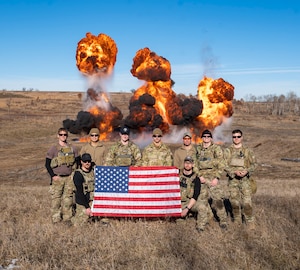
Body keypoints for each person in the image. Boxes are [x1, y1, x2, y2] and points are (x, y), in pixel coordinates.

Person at [224, 129, 257, 229]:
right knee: (234, 203)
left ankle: (250, 223)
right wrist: (234, 172)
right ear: (232, 138)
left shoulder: (247, 151)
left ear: (241, 138)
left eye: (238, 136)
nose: (236, 139)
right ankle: (237, 222)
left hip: (245, 181)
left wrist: (247, 171)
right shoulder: (227, 151)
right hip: (233, 181)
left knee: (247, 203)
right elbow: (224, 165)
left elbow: (254, 164)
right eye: (234, 137)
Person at [45, 127, 80, 224]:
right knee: (56, 200)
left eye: (65, 135)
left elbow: (77, 161)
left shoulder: (73, 148)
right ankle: (56, 219)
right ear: (58, 136)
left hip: (69, 178)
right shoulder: (54, 148)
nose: (63, 136)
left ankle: (67, 219)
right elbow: (47, 164)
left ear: (67, 136)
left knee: (68, 200)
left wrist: (73, 174)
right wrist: (53, 176)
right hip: (57, 178)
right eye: (61, 135)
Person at [196, 129, 228, 231]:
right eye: (204, 137)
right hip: (202, 178)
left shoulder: (216, 149)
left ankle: (223, 221)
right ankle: (202, 224)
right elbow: (195, 165)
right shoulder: (198, 149)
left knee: (218, 200)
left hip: (213, 177)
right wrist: (199, 176)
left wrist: (217, 177)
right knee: (202, 202)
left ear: (211, 138)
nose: (206, 138)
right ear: (202, 138)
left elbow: (221, 164)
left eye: (208, 137)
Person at [178, 156, 202, 232]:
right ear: (184, 164)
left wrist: (187, 209)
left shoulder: (196, 178)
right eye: (186, 163)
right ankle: (188, 215)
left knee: (202, 207)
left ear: (193, 165)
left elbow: (195, 195)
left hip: (189, 202)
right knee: (180, 225)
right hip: (179, 203)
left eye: (190, 163)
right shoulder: (177, 174)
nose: (187, 165)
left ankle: (200, 227)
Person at [72, 153, 95, 226]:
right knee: (81, 223)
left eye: (89, 161)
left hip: (93, 200)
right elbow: (80, 192)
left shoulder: (94, 172)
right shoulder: (78, 174)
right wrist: (87, 207)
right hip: (83, 202)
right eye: (85, 161)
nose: (87, 163)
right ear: (81, 162)